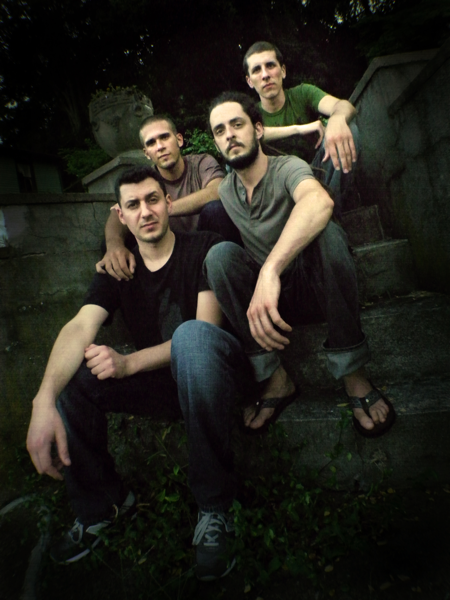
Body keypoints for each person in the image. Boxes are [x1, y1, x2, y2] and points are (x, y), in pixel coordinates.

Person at [26, 165, 247, 581]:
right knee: (73, 374)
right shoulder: (118, 268)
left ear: (168, 203)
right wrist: (43, 400)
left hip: (212, 375)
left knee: (192, 338)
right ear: (121, 215)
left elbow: (205, 328)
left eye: (152, 200)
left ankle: (216, 509)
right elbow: (79, 326)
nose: (145, 211)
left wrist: (128, 363)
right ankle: (102, 506)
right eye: (133, 205)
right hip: (162, 386)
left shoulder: (204, 246)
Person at [205, 91, 395, 437]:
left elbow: (318, 201)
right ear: (216, 142)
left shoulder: (288, 167)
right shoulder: (226, 192)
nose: (229, 135)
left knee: (328, 233)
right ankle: (275, 377)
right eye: (220, 130)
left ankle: (352, 371)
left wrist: (270, 270)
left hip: (315, 287)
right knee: (218, 257)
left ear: (258, 130)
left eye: (237, 124)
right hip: (273, 310)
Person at [96, 114, 240, 282]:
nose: (160, 147)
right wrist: (113, 245)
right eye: (151, 143)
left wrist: (163, 209)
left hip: (208, 247)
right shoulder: (146, 180)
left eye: (164, 137)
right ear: (146, 153)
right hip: (169, 256)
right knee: (115, 248)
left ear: (179, 139)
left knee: (216, 209)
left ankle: (232, 274)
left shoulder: (202, 163)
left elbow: (217, 191)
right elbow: (117, 213)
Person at [243, 41, 360, 218]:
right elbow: (245, 138)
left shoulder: (302, 93)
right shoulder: (250, 113)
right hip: (281, 190)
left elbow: (344, 106)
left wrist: (336, 119)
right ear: (249, 81)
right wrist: (298, 129)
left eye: (270, 66)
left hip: (319, 175)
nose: (265, 75)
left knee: (348, 128)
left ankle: (331, 214)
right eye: (257, 70)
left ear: (283, 71)